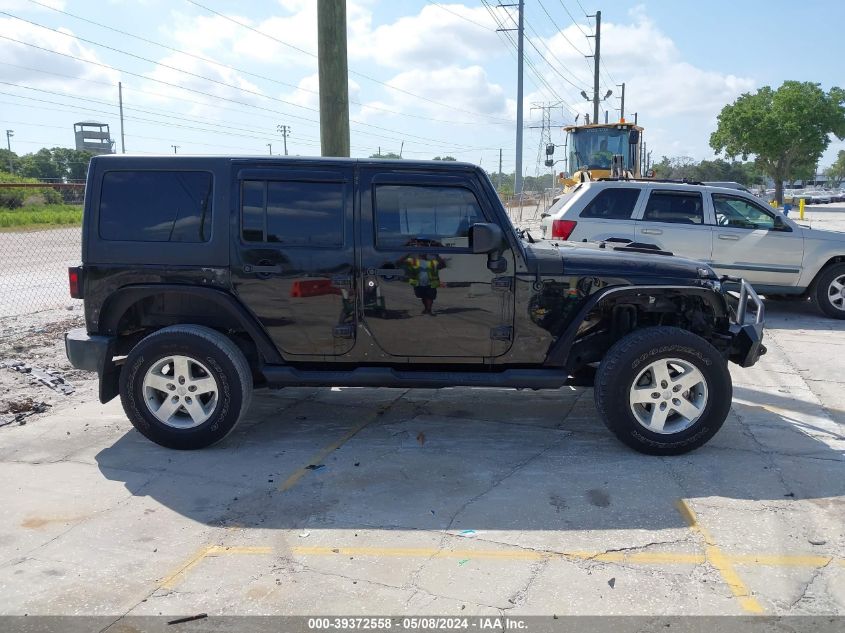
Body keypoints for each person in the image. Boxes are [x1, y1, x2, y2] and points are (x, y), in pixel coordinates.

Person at [403, 250, 446, 315]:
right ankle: (426, 308)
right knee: (423, 297)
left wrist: (437, 256)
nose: (422, 253)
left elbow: (443, 265)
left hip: (431, 283)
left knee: (430, 297)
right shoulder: (413, 261)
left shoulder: (432, 262)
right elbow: (401, 263)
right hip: (418, 283)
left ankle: (429, 309)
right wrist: (408, 253)